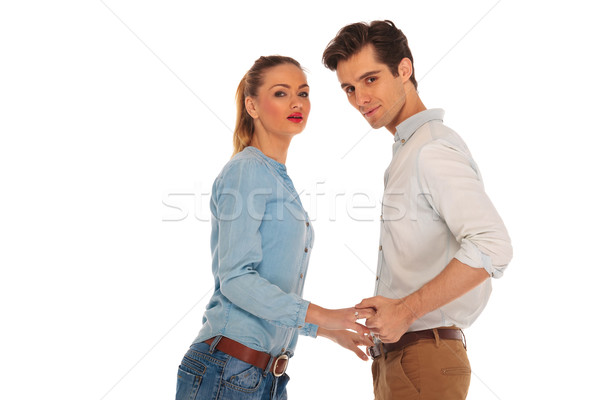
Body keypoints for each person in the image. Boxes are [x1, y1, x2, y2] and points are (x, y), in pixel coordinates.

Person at [322, 21, 513, 400]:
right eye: (349, 88)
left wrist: (407, 311)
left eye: (370, 79)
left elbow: (493, 245)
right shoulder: (408, 152)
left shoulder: (430, 149)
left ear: (404, 70)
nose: (360, 99)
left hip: (425, 358)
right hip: (401, 362)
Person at [175, 55, 374, 400]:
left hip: (265, 377)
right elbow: (236, 280)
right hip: (228, 370)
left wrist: (325, 330)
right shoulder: (247, 170)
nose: (297, 102)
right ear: (252, 105)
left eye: (304, 93)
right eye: (281, 93)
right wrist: (326, 315)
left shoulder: (276, 177)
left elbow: (269, 287)